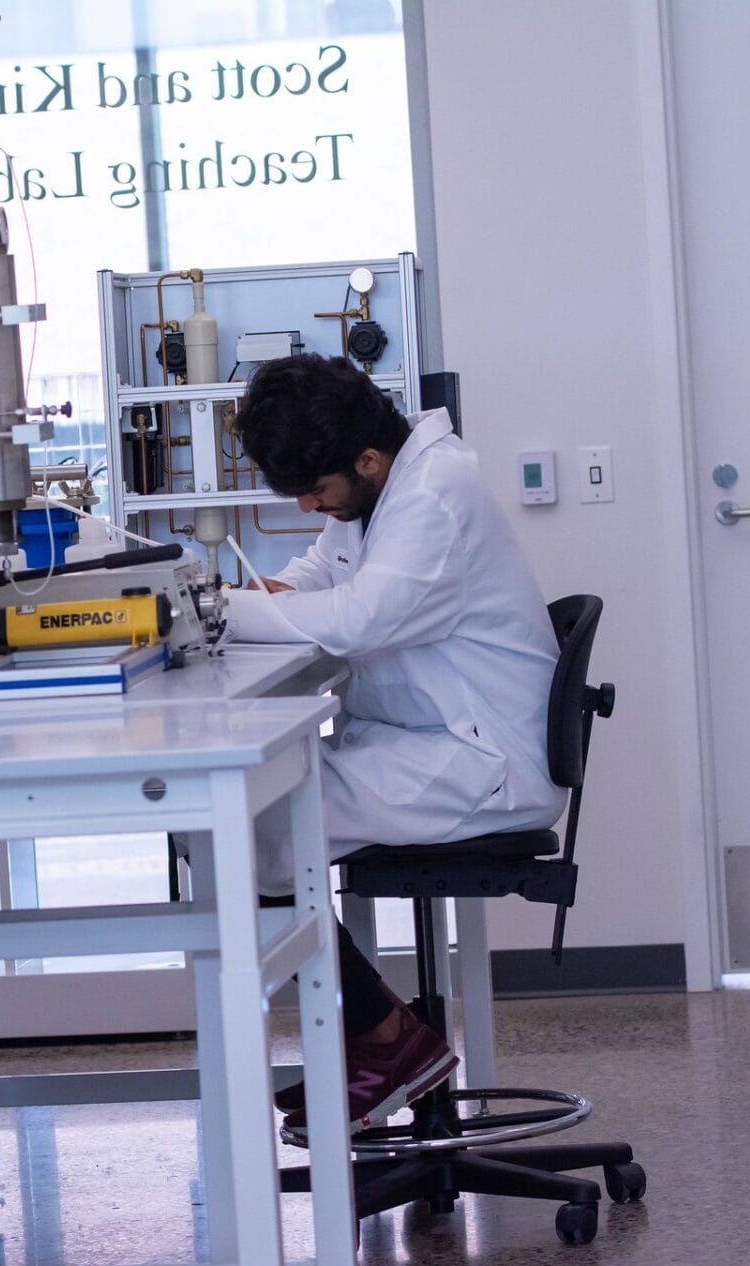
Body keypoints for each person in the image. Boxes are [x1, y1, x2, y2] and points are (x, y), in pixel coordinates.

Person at [219, 353, 566, 1139]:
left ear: (368, 459)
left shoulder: (435, 496)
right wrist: (254, 594)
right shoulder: (380, 494)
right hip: (429, 744)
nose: (311, 506)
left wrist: (222, 615)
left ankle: (386, 1043)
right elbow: (319, 579)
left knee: (250, 830)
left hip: (481, 762)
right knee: (248, 822)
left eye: (317, 491)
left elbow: (360, 619)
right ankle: (378, 1042)